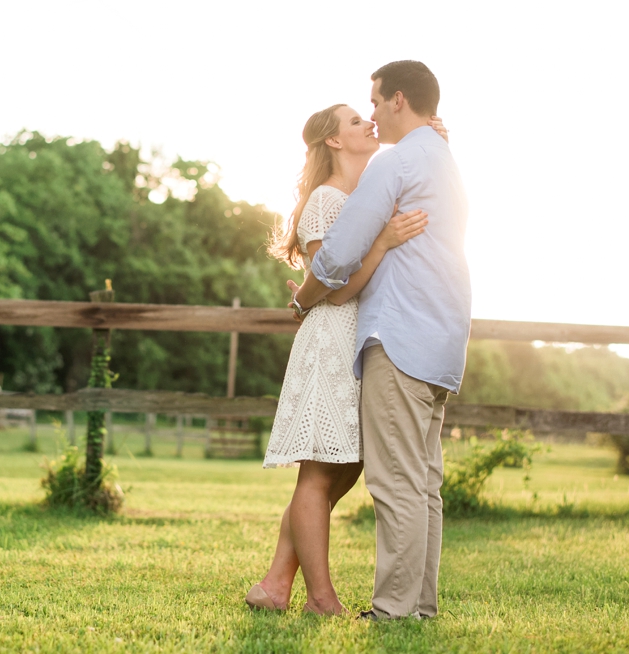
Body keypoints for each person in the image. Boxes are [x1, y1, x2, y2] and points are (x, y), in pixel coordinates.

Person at [245, 102, 447, 615]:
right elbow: (334, 292)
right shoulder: (324, 201)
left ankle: (273, 584)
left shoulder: (363, 192)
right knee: (317, 474)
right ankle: (321, 598)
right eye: (356, 121)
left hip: (362, 341)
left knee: (348, 466)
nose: (368, 123)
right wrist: (380, 243)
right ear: (334, 141)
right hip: (332, 339)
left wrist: (433, 134)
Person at [288, 60, 471, 620]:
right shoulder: (442, 157)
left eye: (373, 101)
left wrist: (302, 297)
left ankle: (393, 609)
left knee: (395, 486)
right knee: (423, 485)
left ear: (397, 100)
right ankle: (420, 606)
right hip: (441, 339)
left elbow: (339, 252)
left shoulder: (398, 160)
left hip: (399, 337)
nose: (370, 113)